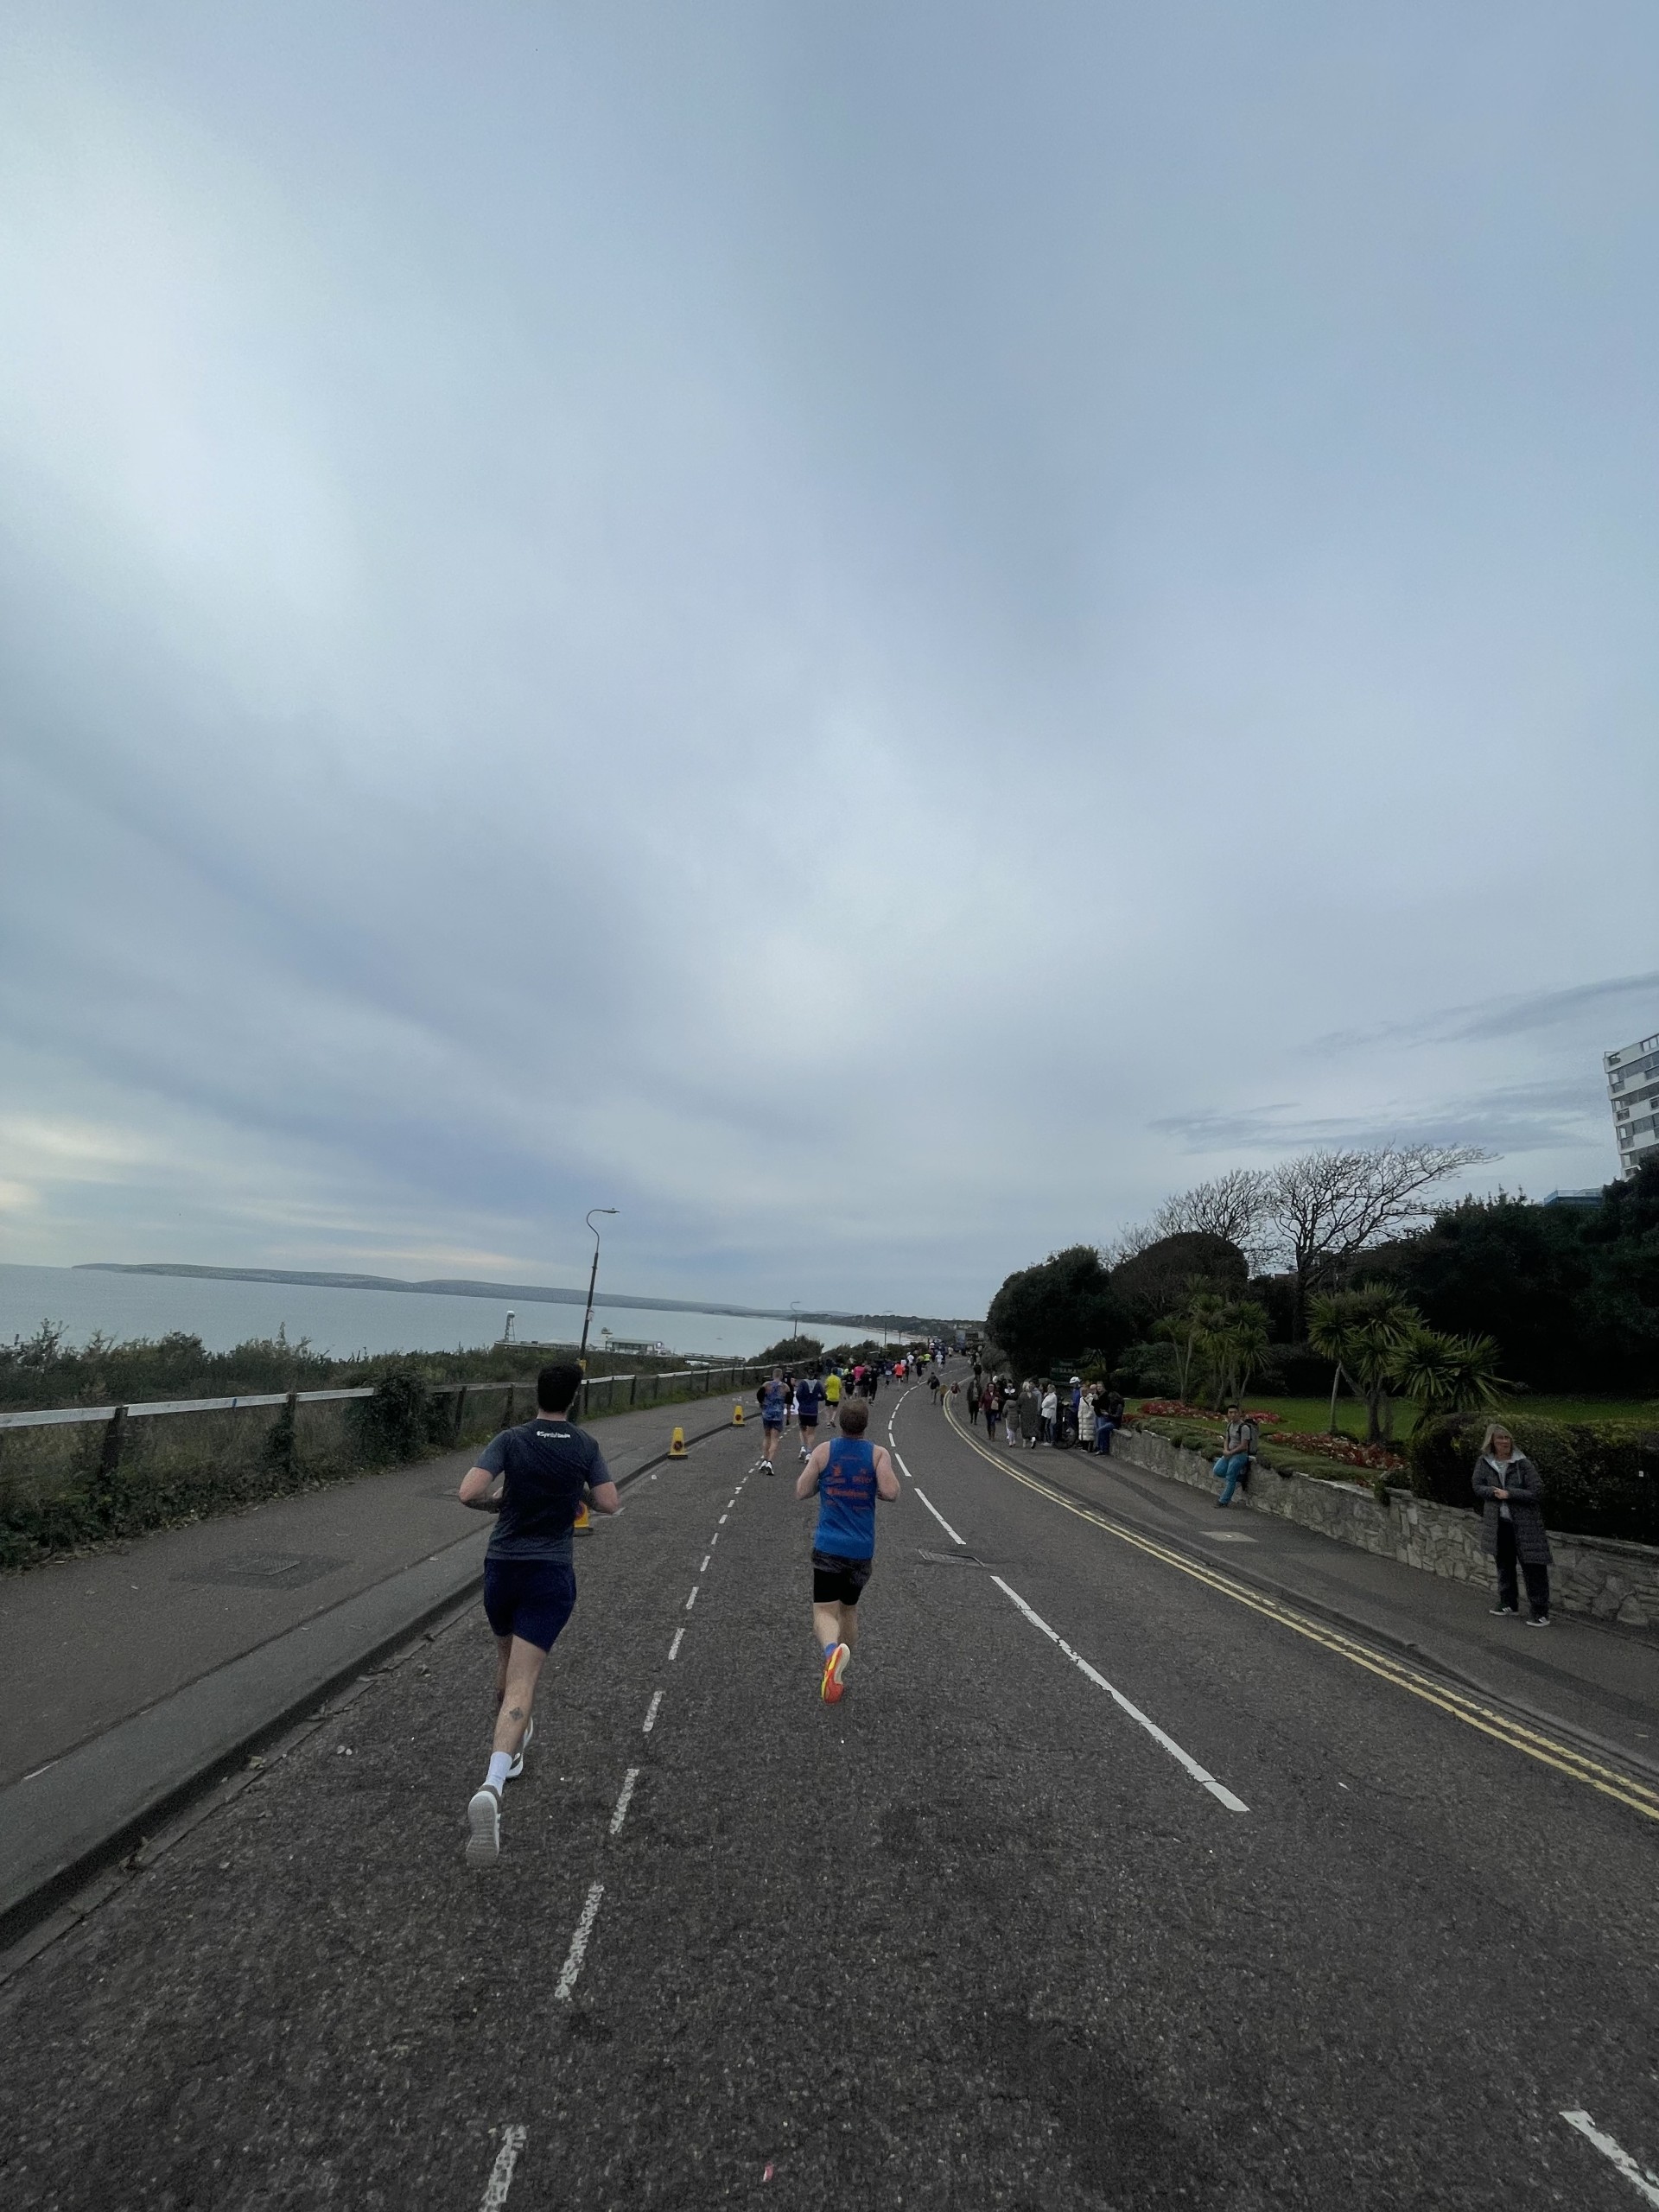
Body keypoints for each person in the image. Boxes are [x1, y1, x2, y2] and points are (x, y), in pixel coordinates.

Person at [457, 1363, 620, 1866]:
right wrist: (575, 1494)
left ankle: (514, 1752)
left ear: (536, 1395)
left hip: (502, 1566)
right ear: (573, 1398)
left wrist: (503, 1504)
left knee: (504, 1664)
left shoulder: (510, 1439)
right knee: (524, 1682)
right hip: (549, 1571)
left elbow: (468, 1492)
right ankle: (492, 1782)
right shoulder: (585, 1445)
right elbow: (610, 1503)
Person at [795, 1394, 900, 1702]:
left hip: (829, 1546)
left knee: (824, 1611)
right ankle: (842, 1664)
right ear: (865, 1425)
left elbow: (801, 1490)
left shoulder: (824, 1451)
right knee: (849, 1609)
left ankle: (831, 1653)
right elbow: (892, 1492)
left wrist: (823, 1484)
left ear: (841, 1422)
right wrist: (873, 1490)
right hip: (861, 1550)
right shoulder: (878, 1455)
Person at [1473, 1424, 1551, 1624]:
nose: (1504, 1443)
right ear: (1492, 1442)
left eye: (1507, 1439)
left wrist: (1510, 1494)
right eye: (1500, 1439)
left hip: (1526, 1525)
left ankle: (1540, 1611)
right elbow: (1477, 1486)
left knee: (1533, 1568)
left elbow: (1538, 1491)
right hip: (1500, 1523)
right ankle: (1508, 1603)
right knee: (1504, 1565)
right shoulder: (1484, 1462)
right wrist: (1493, 1492)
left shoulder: (1522, 1464)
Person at [1212, 1405, 1259, 1507]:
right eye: (1231, 1413)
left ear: (1239, 1413)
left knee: (1230, 1476)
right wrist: (1225, 1450)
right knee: (1217, 1470)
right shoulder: (1230, 1425)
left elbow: (1244, 1446)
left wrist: (1231, 1452)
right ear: (1228, 1414)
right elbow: (1227, 1439)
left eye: (1235, 1412)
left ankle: (1223, 1501)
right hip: (1229, 1453)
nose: (1233, 1415)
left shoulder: (1244, 1428)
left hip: (1239, 1455)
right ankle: (1240, 1477)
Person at [755, 1369, 789, 1475]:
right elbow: (789, 1402)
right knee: (775, 1439)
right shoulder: (785, 1387)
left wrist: (762, 1404)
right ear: (782, 1376)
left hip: (767, 1414)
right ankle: (770, 1462)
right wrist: (788, 1417)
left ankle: (764, 1460)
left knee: (767, 1437)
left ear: (773, 1375)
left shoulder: (766, 1385)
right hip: (778, 1415)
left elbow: (759, 1396)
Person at [795, 1370, 824, 1462]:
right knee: (811, 1433)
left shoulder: (802, 1383)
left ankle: (803, 1447)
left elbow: (798, 1394)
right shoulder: (818, 1384)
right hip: (813, 1411)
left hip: (803, 1410)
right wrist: (816, 1398)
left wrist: (802, 1402)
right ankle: (809, 1452)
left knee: (802, 1429)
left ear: (807, 1374)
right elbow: (824, 1396)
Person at [1039, 1382, 1058, 1446]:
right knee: (1046, 1427)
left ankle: (1050, 1440)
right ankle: (1048, 1440)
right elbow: (1043, 1404)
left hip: (1050, 1414)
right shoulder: (1049, 1396)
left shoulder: (1053, 1396)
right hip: (1046, 1413)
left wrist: (1044, 1404)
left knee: (1048, 1427)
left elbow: (1046, 1403)